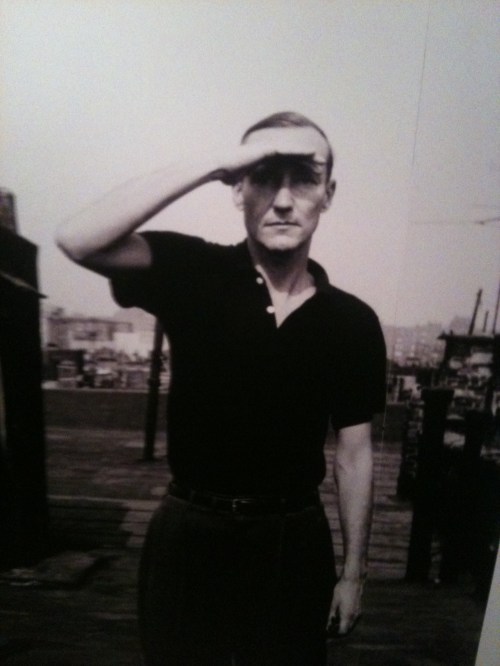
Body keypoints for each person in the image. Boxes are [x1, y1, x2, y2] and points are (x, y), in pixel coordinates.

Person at [56, 111, 386, 665]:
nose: (283, 201)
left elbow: (355, 455)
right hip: (189, 534)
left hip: (293, 542)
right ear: (237, 189)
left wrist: (354, 573)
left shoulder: (351, 321)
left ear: (328, 195)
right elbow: (77, 239)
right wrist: (217, 162)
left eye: (304, 179)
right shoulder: (192, 271)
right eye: (263, 176)